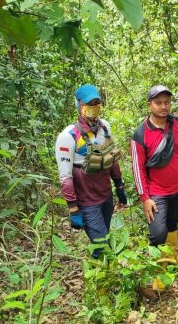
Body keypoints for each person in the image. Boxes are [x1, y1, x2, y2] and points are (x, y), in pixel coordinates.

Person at [130, 85, 178, 291]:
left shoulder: (177, 124)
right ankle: (159, 273)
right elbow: (138, 169)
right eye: (158, 103)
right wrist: (145, 198)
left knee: (173, 224)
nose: (163, 106)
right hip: (157, 192)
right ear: (149, 105)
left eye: (166, 102)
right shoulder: (140, 134)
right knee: (158, 233)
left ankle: (172, 258)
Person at [55, 84, 127, 258]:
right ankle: (101, 273)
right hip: (87, 202)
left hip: (106, 196)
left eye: (96, 103)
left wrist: (120, 187)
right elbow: (65, 177)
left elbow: (112, 159)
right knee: (102, 246)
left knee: (105, 238)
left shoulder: (105, 128)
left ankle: (100, 272)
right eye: (88, 104)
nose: (93, 107)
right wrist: (73, 208)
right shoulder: (68, 136)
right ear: (78, 104)